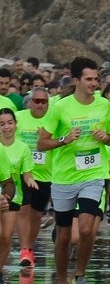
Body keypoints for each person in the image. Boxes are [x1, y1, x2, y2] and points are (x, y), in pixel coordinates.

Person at [37, 56, 110, 284]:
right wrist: (64, 139)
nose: (95, 83)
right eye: (90, 79)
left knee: (85, 229)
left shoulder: (104, 105)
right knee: (63, 237)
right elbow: (42, 143)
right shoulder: (61, 107)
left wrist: (106, 138)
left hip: (92, 174)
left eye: (97, 79)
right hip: (63, 178)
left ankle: (80, 276)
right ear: (76, 80)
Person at [14, 86, 52, 269]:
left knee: (37, 214)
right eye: (36, 101)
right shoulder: (19, 117)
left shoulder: (53, 120)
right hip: (23, 172)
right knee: (23, 211)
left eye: (43, 101)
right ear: (29, 102)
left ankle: (29, 245)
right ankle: (25, 249)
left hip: (46, 173)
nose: (39, 105)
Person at [0, 108, 31, 277]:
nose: (6, 127)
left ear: (15, 125)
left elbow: (11, 180)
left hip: (12, 195)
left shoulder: (22, 147)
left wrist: (29, 179)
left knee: (5, 237)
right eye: (2, 124)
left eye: (9, 123)